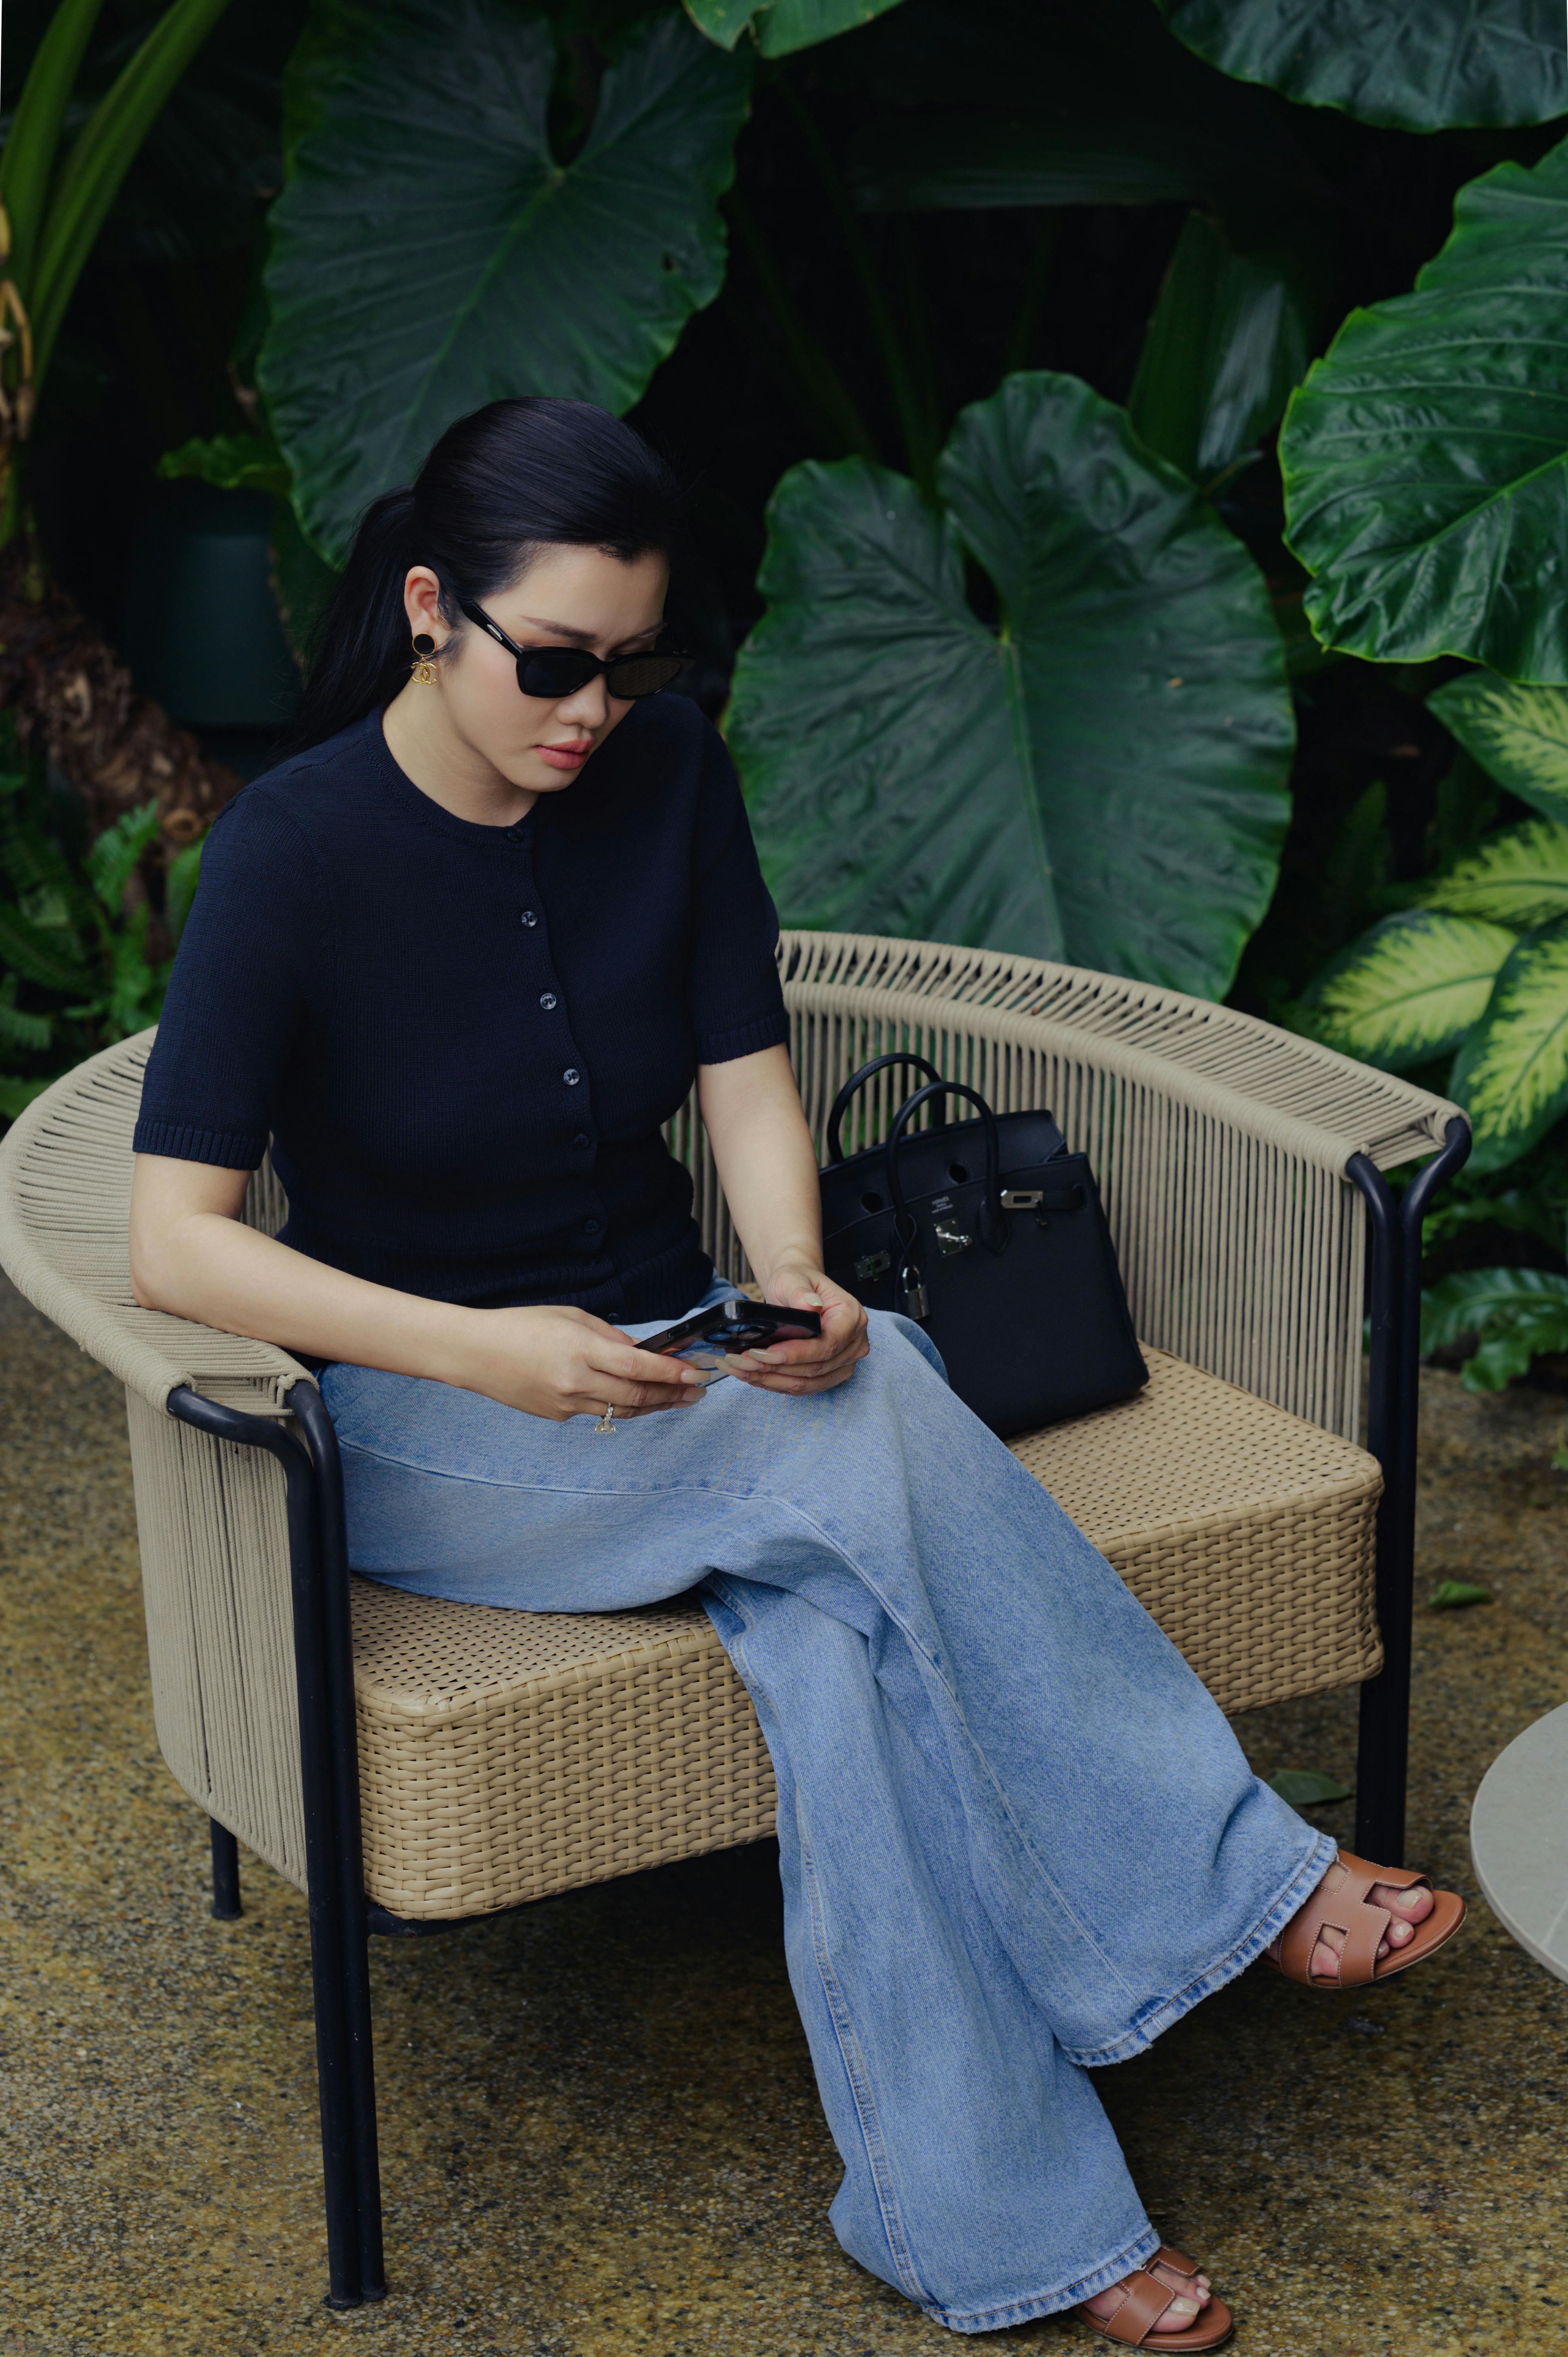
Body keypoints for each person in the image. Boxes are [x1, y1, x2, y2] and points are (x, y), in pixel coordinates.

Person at [128, 397, 1464, 2349]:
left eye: (630, 663)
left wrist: (790, 1279)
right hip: (430, 1422)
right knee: (881, 1414)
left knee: (836, 1628)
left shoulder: (662, 771)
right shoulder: (293, 851)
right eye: (553, 662)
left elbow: (747, 1061)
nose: (592, 711)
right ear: (432, 608)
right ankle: (1225, 1881)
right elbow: (178, 1237)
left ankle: (996, 2223)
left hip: (684, 1370)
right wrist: (480, 1348)